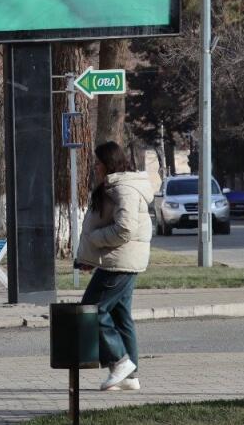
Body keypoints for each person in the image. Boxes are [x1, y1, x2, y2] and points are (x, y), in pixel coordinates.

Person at [76, 141, 156, 392]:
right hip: (120, 260)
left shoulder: (125, 190)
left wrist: (95, 240)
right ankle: (131, 377)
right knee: (121, 317)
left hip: (119, 262)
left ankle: (120, 361)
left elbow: (124, 229)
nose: (94, 167)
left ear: (108, 163)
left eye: (97, 163)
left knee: (91, 311)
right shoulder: (116, 186)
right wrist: (89, 258)